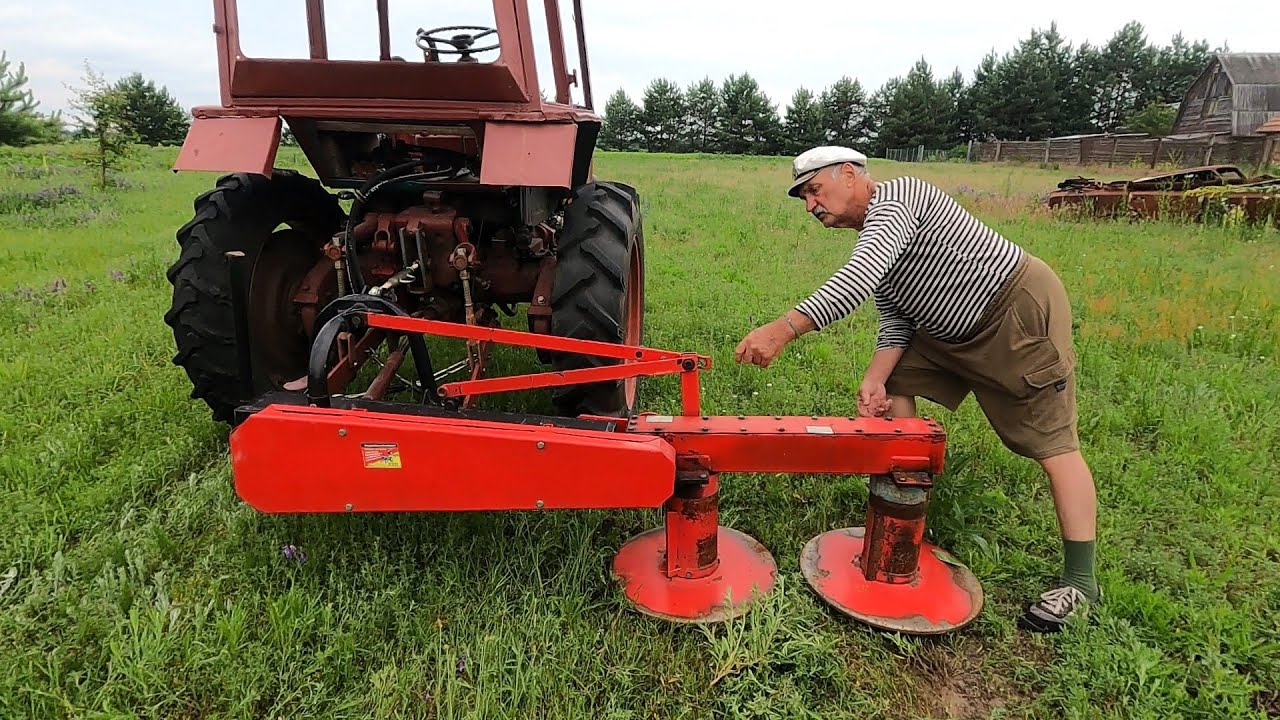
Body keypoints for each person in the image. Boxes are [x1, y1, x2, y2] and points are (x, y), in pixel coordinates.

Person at [735, 146, 1099, 633]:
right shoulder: (874, 234)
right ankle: (905, 508)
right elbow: (896, 320)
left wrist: (783, 329)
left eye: (815, 191)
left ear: (850, 174)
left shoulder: (899, 199)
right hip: (947, 335)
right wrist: (875, 377)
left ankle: (1080, 583)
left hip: (1013, 314)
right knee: (897, 384)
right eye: (804, 198)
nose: (811, 206)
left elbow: (860, 277)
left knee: (1051, 443)